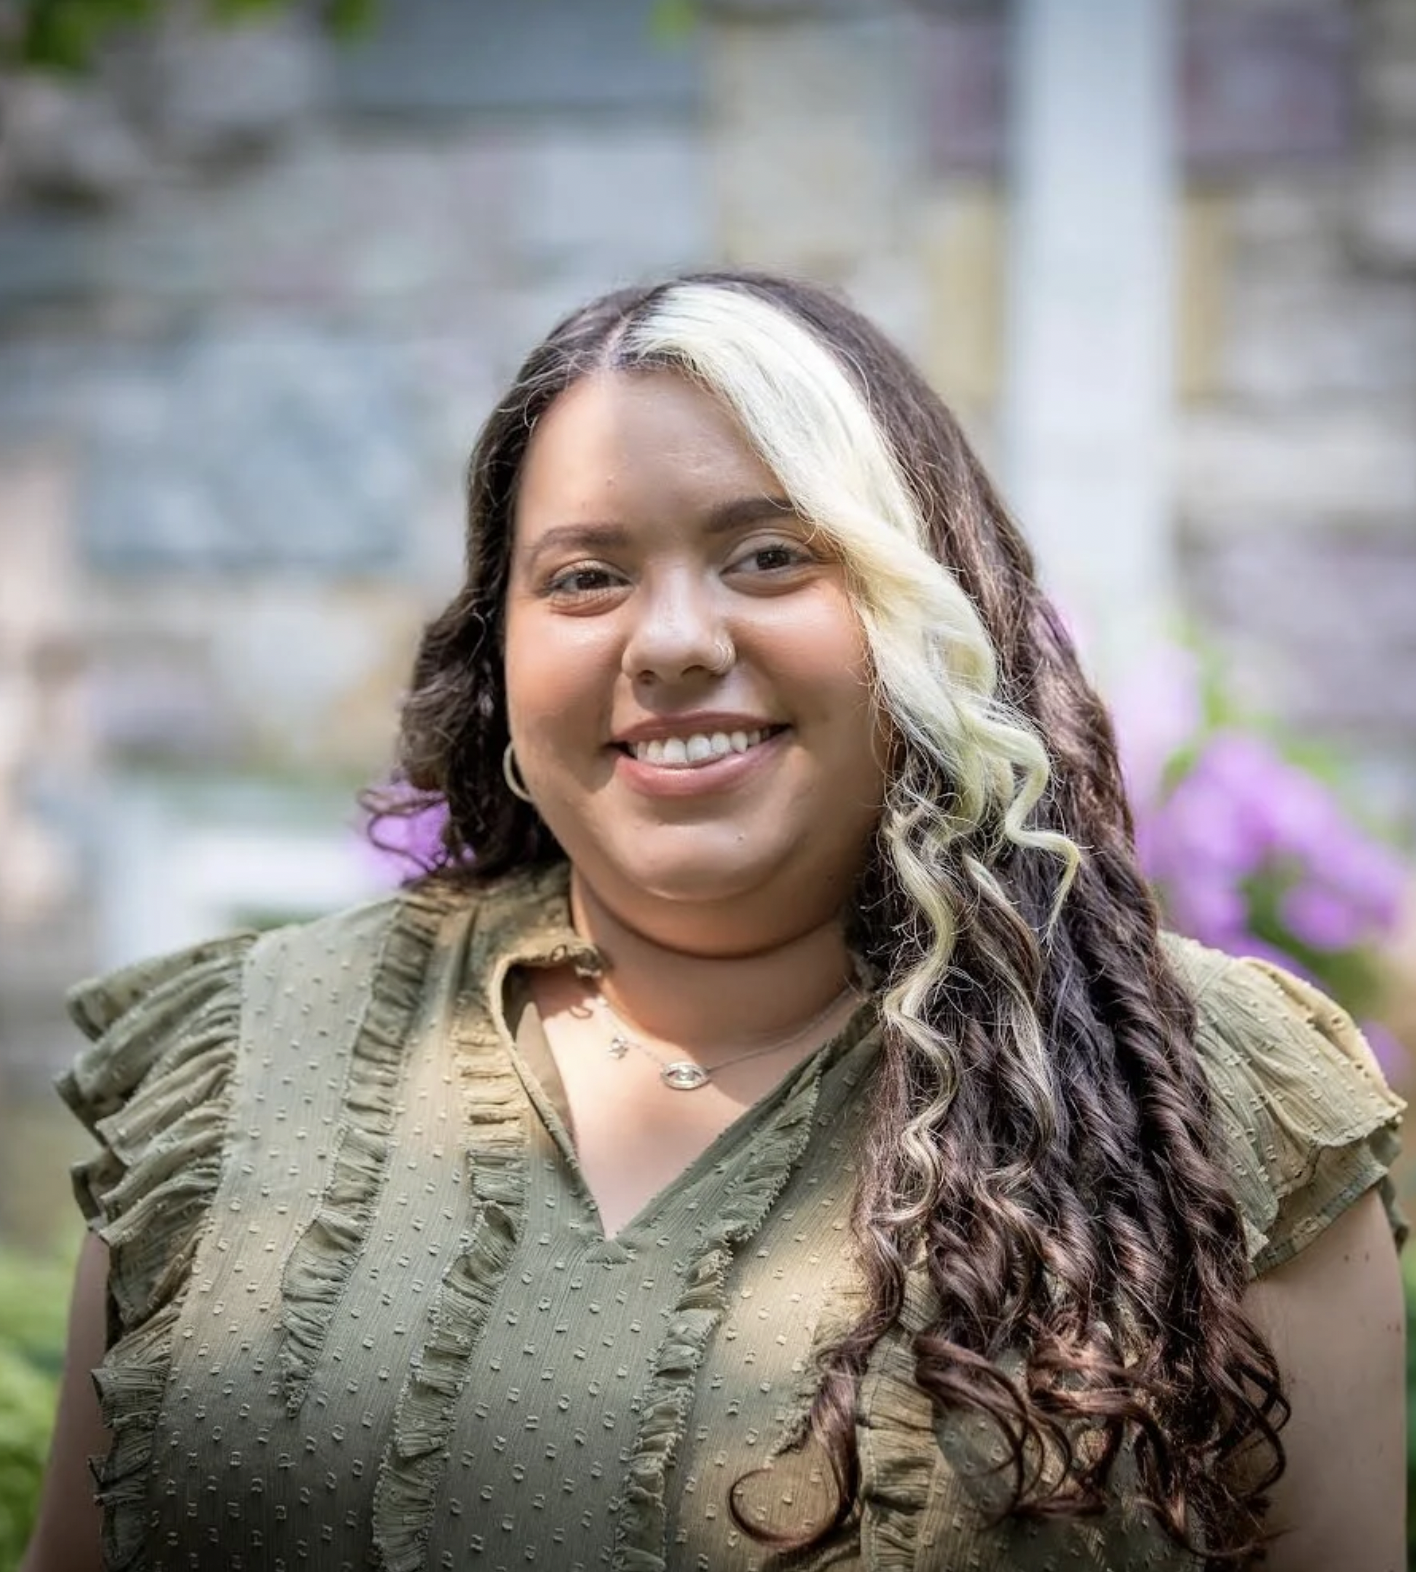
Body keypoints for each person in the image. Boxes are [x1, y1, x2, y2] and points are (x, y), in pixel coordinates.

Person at [23, 270, 1406, 1572]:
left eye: (765, 554)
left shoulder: (1205, 1102)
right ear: (499, 660)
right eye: (583, 577)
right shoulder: (246, 1061)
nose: (671, 640)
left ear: (923, 618)